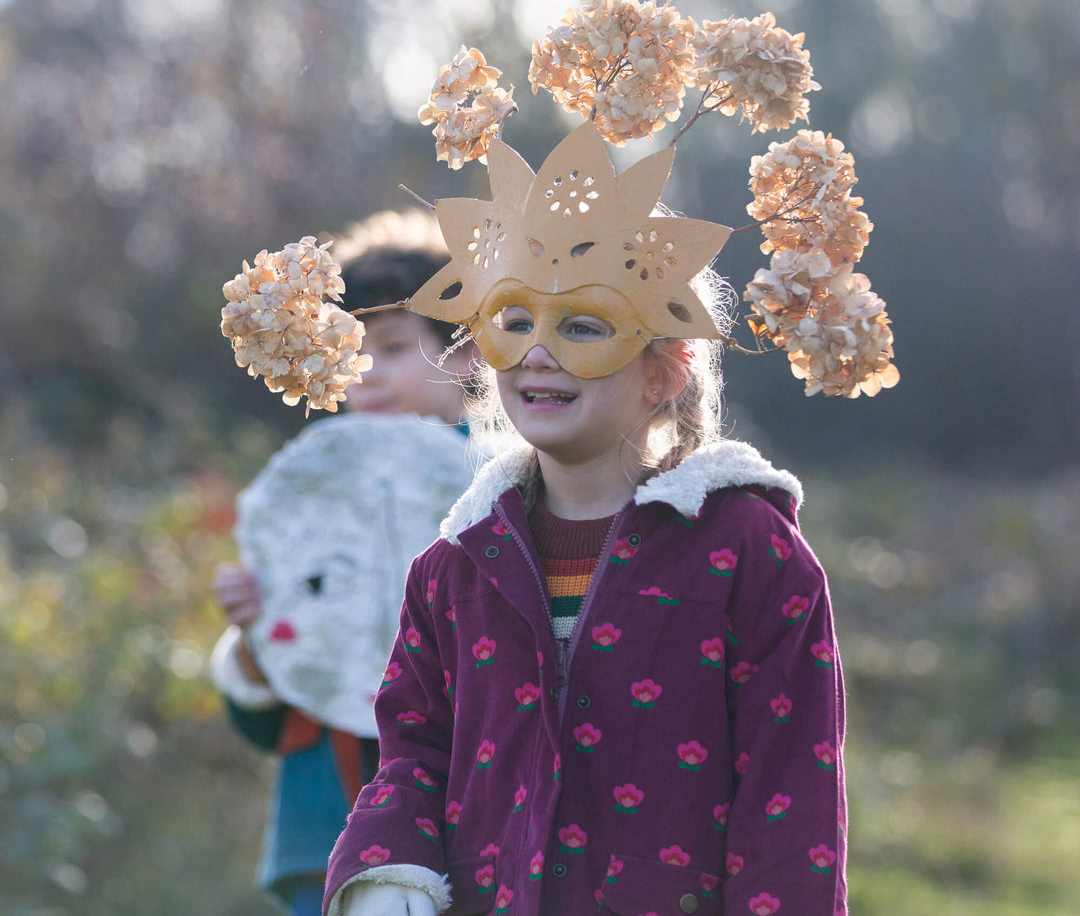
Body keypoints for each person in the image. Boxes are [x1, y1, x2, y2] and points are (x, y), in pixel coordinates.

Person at [322, 123, 847, 916]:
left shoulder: (748, 551)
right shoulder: (452, 569)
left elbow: (789, 797)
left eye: (583, 325)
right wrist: (388, 869)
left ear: (665, 369)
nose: (538, 353)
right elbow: (414, 753)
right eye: (515, 321)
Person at [210, 209, 477, 916]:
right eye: (344, 352)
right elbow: (267, 720)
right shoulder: (309, 494)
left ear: (471, 353)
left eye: (391, 346)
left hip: (480, 827)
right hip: (326, 825)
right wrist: (252, 639)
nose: (365, 372)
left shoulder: (512, 486)